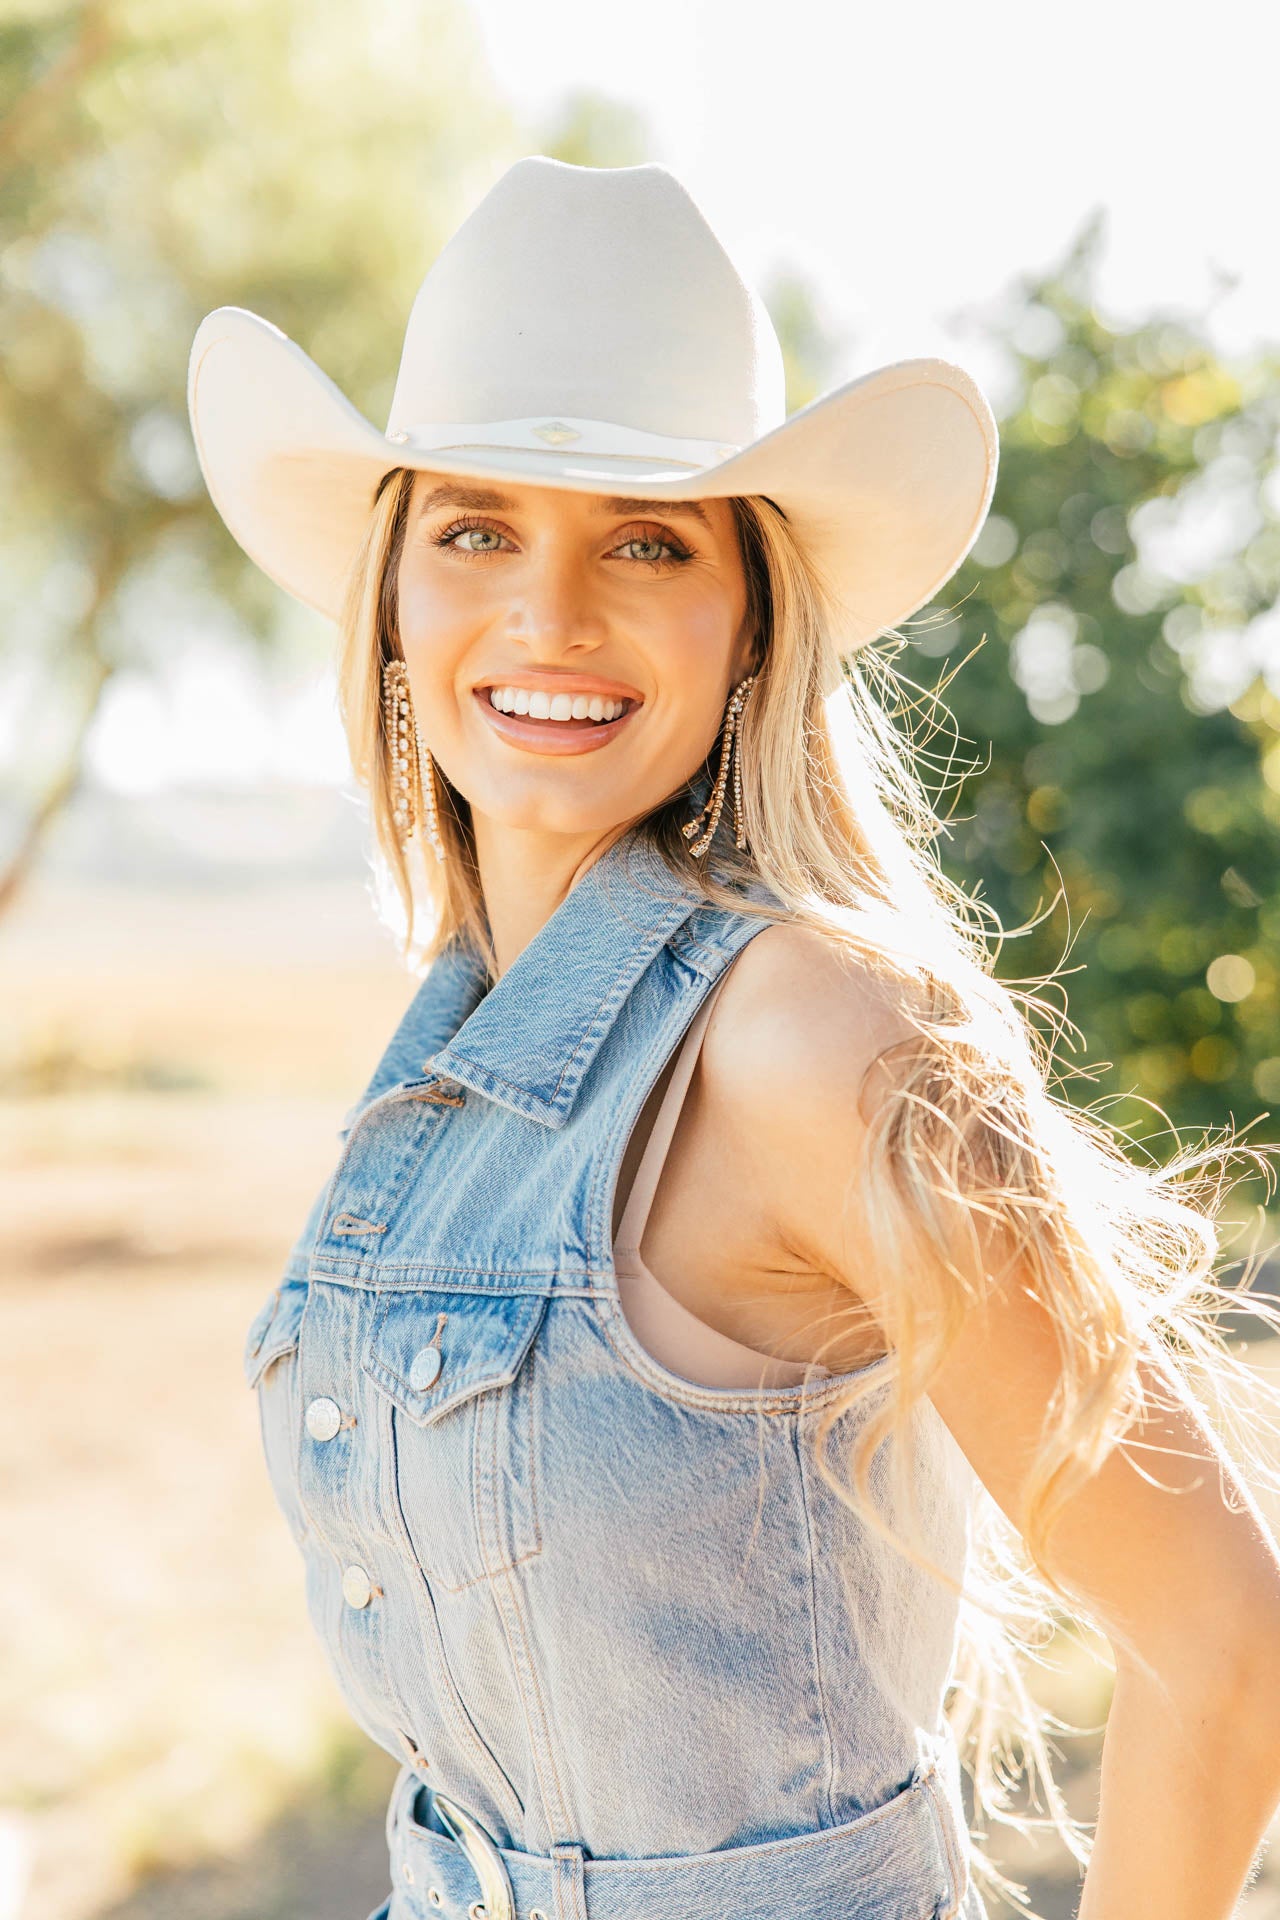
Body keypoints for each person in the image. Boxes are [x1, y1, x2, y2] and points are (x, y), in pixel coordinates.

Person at [189, 158, 1280, 1920]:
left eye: (646, 540)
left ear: (749, 615)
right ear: (393, 595)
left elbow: (1223, 1642)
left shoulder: (811, 1036)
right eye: (476, 529)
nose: (552, 615)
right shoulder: (446, 1067)